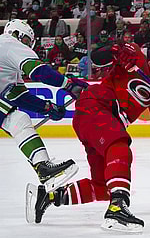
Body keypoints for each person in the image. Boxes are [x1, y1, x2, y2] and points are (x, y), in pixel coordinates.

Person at [26, 44, 150, 233]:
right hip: (96, 107)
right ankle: (117, 209)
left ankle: (47, 197)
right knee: (120, 145)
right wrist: (115, 51)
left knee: (103, 187)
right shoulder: (136, 57)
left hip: (102, 123)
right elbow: (97, 56)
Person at [0, 19, 87, 192]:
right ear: (16, 34)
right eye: (26, 41)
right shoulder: (8, 43)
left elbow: (16, 94)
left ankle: (43, 168)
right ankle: (43, 168)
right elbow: (38, 71)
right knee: (16, 119)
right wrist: (68, 84)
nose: (27, 47)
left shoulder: (5, 57)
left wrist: (47, 107)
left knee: (17, 120)